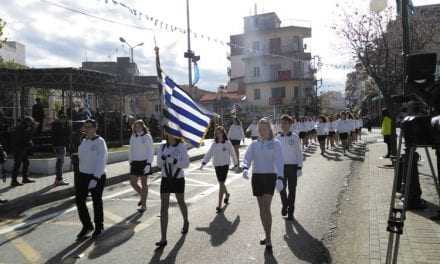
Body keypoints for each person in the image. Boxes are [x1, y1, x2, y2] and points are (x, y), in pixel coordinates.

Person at [242, 118, 284, 254]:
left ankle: (269, 238)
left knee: (266, 207)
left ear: (269, 129)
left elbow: (279, 161)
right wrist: (245, 167)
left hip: (269, 177)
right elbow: (247, 157)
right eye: (260, 129)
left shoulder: (275, 143)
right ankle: (266, 235)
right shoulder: (254, 144)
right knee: (261, 209)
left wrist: (280, 177)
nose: (261, 131)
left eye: (264, 128)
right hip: (257, 178)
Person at [155, 133, 190, 249]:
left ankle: (185, 220)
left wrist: (175, 161)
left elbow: (186, 164)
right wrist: (163, 159)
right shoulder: (162, 146)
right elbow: (159, 164)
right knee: (163, 207)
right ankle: (163, 238)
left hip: (178, 178)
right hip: (166, 178)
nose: (169, 134)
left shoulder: (182, 146)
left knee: (181, 202)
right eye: (168, 132)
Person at [75, 119, 108, 240]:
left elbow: (102, 160)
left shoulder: (100, 142)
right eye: (85, 127)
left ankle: (99, 226)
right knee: (79, 201)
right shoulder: (83, 141)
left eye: (89, 127)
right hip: (83, 175)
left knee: (96, 201)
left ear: (95, 128)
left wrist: (96, 177)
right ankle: (87, 225)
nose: (86, 129)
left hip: (96, 176)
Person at [200, 126, 238, 213]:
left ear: (223, 133)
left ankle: (219, 205)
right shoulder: (214, 144)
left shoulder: (227, 143)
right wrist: (203, 163)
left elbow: (233, 153)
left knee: (221, 184)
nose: (218, 134)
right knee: (221, 183)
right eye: (216, 133)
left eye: (219, 133)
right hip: (217, 165)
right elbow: (209, 154)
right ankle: (227, 194)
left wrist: (236, 164)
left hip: (225, 165)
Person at [276, 115, 303, 220]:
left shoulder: (295, 137)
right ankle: (285, 204)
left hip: (292, 167)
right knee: (281, 188)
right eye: (282, 123)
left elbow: (299, 153)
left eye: (286, 123)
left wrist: (300, 167)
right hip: (281, 167)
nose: (283, 125)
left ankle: (290, 211)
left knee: (292, 190)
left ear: (290, 124)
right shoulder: (277, 138)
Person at [128, 120, 154, 213]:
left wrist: (149, 163)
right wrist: (130, 160)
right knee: (133, 182)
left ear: (143, 127)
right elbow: (130, 149)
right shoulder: (133, 136)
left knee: (144, 184)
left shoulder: (147, 137)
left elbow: (150, 151)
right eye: (136, 126)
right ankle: (142, 196)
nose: (137, 128)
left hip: (144, 163)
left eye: (139, 126)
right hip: (135, 162)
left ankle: (144, 205)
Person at [11, 116, 36, 187]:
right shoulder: (21, 128)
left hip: (22, 148)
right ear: (26, 122)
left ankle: (25, 178)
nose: (31, 124)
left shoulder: (24, 128)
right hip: (19, 149)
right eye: (30, 122)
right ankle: (14, 181)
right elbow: (24, 138)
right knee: (17, 165)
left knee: (26, 163)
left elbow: (28, 137)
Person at [51, 112, 70, 186]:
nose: (65, 121)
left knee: (59, 162)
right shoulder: (59, 126)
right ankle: (59, 179)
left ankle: (57, 179)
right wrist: (67, 126)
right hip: (60, 145)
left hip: (58, 145)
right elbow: (66, 133)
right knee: (60, 163)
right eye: (64, 120)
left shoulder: (55, 125)